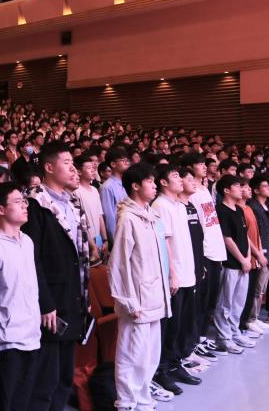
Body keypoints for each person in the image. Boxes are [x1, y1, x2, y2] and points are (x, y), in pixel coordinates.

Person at [21, 141, 90, 411]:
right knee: (46, 380)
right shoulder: (35, 205)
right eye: (67, 163)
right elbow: (32, 258)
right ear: (49, 168)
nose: (73, 169)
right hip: (51, 303)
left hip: (73, 296)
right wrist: (45, 303)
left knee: (64, 376)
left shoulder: (73, 202)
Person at [108, 163, 171, 411]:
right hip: (137, 300)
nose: (155, 186)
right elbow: (119, 264)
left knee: (150, 354)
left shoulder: (151, 216)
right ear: (135, 186)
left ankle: (143, 397)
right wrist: (128, 301)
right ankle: (126, 401)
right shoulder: (127, 219)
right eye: (150, 181)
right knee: (132, 354)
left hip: (154, 295)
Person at [0, 182, 42, 411]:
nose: (25, 205)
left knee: (23, 403)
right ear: (0, 209)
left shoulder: (27, 241)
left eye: (24, 201)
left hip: (31, 336)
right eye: (17, 202)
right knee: (3, 404)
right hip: (6, 342)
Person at [151, 165, 200, 393]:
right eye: (175, 176)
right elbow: (166, 243)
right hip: (175, 276)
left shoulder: (179, 205)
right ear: (163, 182)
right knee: (170, 327)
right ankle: (162, 370)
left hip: (187, 273)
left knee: (181, 325)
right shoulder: (160, 205)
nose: (181, 180)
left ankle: (175, 363)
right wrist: (172, 274)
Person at [182, 153, 227, 353]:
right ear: (189, 168)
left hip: (215, 249)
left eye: (203, 163)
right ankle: (195, 341)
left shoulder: (204, 189)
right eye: (199, 163)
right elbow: (197, 228)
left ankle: (202, 337)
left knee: (211, 300)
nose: (203, 166)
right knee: (201, 300)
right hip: (205, 251)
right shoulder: (192, 193)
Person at [213, 175, 252, 354]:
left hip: (244, 263)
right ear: (227, 190)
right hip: (230, 264)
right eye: (237, 185)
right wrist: (242, 259)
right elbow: (226, 238)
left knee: (238, 303)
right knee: (225, 304)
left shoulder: (239, 209)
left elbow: (245, 236)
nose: (241, 188)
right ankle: (224, 338)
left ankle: (234, 332)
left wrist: (248, 257)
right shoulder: (221, 210)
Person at [238, 178, 267, 336]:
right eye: (245, 187)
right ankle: (244, 323)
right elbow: (246, 236)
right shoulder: (239, 209)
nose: (248, 189)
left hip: (258, 254)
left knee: (256, 290)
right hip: (249, 256)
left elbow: (257, 233)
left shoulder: (248, 208)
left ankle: (250, 320)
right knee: (248, 292)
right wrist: (257, 253)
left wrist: (260, 251)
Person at [74, 154, 108, 264]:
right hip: (86, 239)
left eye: (93, 168)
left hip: (98, 238)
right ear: (79, 172)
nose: (93, 170)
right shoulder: (76, 191)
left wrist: (105, 239)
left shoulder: (94, 190)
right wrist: (92, 245)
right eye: (89, 168)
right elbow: (80, 221)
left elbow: (100, 215)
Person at [247, 175, 269, 331]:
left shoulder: (265, 206)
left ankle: (254, 317)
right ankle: (250, 318)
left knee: (262, 288)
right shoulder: (254, 207)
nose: (268, 189)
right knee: (257, 288)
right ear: (256, 190)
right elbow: (256, 233)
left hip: (267, 250)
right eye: (265, 186)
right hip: (260, 252)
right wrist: (260, 253)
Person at [100, 146, 130, 246]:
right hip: (119, 236)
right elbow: (109, 218)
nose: (126, 162)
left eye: (127, 160)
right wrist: (115, 242)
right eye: (123, 160)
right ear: (113, 164)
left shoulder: (127, 183)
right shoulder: (107, 187)